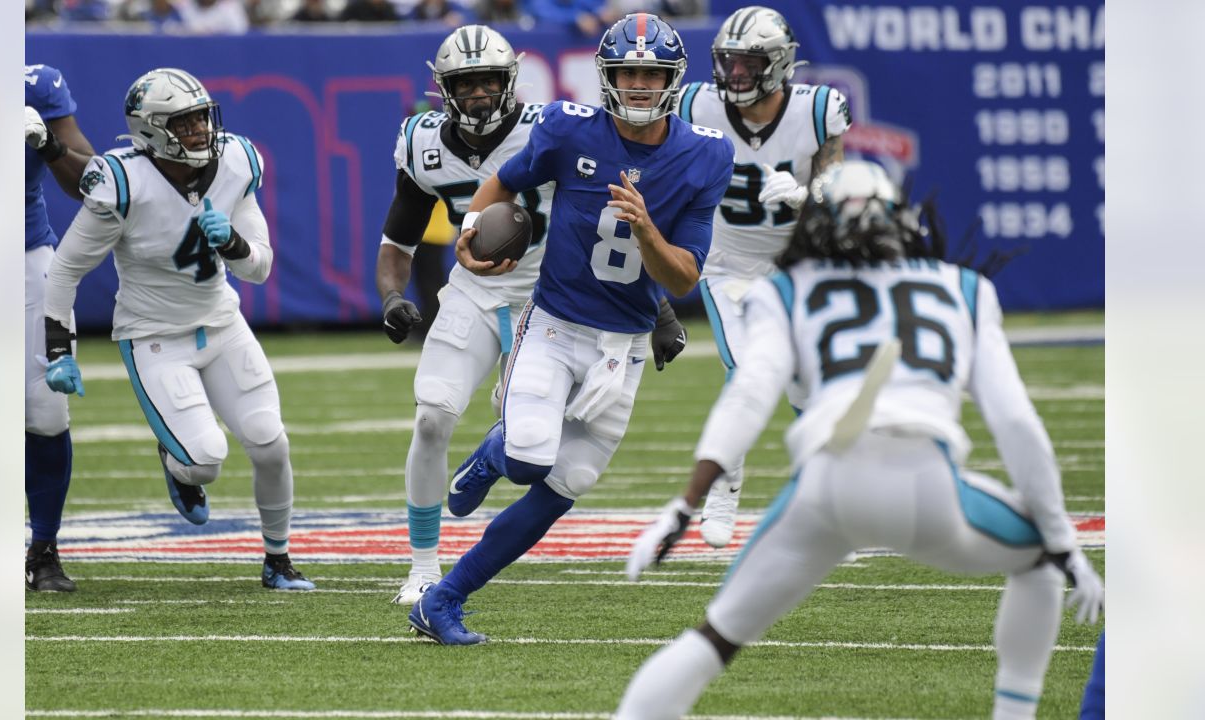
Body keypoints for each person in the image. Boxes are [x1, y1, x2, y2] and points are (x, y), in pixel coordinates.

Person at [616, 161, 1105, 719]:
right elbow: (1016, 423)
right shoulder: (962, 288)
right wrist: (1061, 538)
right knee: (1038, 557)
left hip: (825, 487)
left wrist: (685, 504)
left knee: (713, 640)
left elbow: (749, 394)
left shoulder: (785, 289)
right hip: (926, 483)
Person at [406, 13, 732, 645]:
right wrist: (469, 236)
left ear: (672, 78)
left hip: (624, 345)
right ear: (607, 76)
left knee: (567, 484)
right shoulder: (566, 128)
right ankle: (496, 453)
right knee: (529, 458)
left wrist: (646, 230)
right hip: (554, 323)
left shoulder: (704, 155)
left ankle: (443, 601)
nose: (639, 84)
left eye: (652, 72)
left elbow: (685, 278)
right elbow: (506, 180)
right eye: (628, 72)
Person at [42, 68, 315, 591]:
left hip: (222, 323)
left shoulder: (236, 159)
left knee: (270, 442)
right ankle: (176, 461)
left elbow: (258, 267)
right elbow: (65, 269)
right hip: (154, 336)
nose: (198, 131)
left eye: (200, 118)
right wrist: (60, 349)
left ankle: (277, 559)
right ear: (150, 131)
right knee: (205, 459)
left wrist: (232, 242)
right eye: (183, 123)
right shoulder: (121, 181)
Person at [677, 6, 851, 548]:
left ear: (778, 65)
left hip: (796, 263)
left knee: (805, 381)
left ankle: (827, 496)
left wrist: (807, 197)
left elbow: (839, 193)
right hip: (726, 262)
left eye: (748, 64)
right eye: (728, 63)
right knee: (748, 364)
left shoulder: (817, 110)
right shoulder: (695, 103)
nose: (736, 75)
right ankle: (725, 486)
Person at [24, 63, 97, 592]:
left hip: (25, 259)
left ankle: (43, 549)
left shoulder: (37, 83)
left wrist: (48, 144)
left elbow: (93, 184)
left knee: (46, 410)